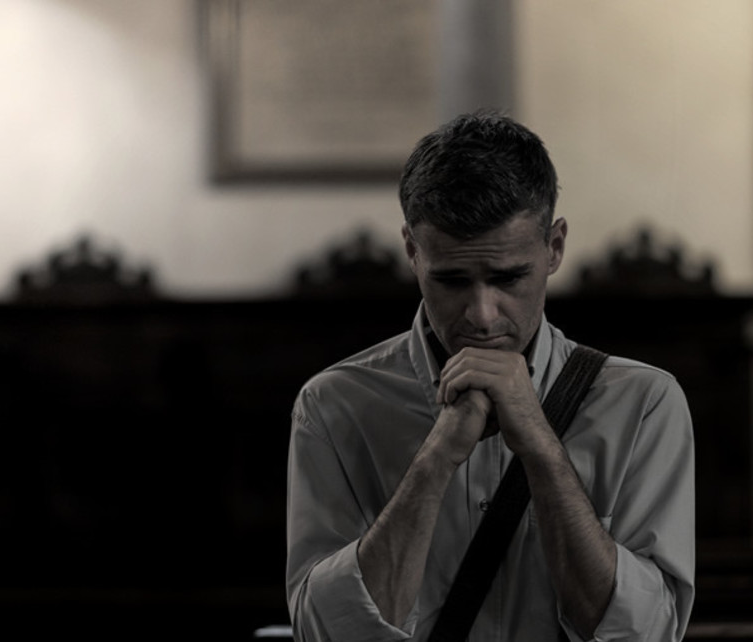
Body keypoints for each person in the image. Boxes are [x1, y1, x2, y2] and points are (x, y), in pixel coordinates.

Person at [285, 111, 695, 641]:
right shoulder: (333, 406)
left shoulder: (644, 403)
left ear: (554, 247)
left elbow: (647, 634)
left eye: (508, 277)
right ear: (412, 251)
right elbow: (327, 636)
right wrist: (435, 460)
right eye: (452, 280)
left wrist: (542, 450)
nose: (481, 314)